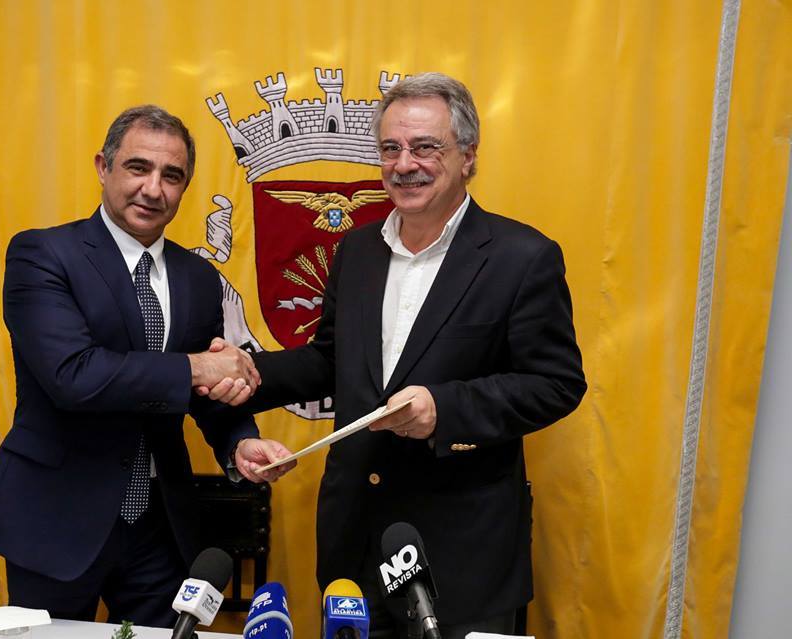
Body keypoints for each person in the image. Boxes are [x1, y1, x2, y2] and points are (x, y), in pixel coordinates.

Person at [203, 72, 586, 637]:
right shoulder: (358, 250)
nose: (404, 164)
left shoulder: (522, 257)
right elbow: (331, 360)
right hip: (354, 545)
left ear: (468, 156)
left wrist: (444, 409)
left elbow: (556, 383)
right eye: (390, 148)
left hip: (462, 558)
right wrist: (248, 369)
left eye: (425, 147)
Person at [0, 105, 294, 627]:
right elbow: (74, 376)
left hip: (159, 526)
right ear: (103, 166)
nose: (153, 189)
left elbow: (206, 394)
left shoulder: (198, 277)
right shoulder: (42, 253)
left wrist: (239, 443)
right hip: (56, 518)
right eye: (138, 168)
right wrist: (196, 369)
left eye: (172, 176)